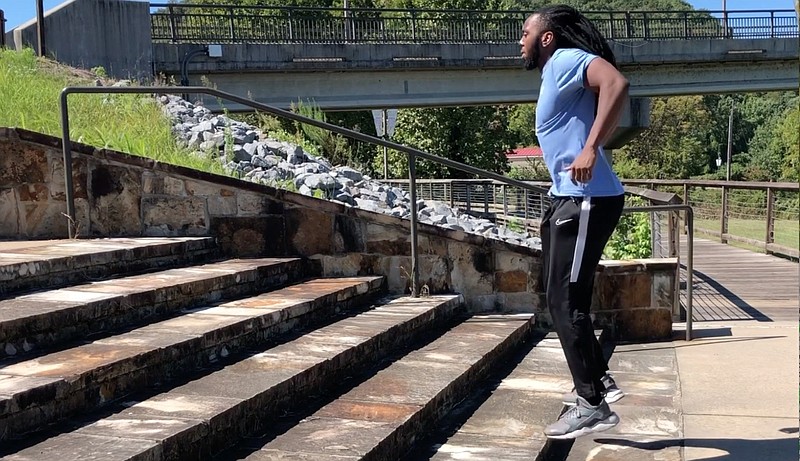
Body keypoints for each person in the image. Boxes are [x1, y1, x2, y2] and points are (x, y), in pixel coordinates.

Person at [519, 5, 629, 440]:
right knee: (558, 294)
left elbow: (617, 84)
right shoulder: (553, 73)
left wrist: (590, 148)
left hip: (587, 199)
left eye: (525, 32)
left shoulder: (565, 59)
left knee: (565, 300)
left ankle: (592, 405)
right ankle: (597, 382)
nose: (520, 40)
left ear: (547, 38)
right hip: (568, 197)